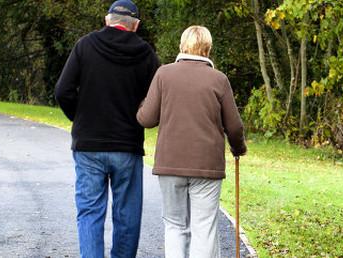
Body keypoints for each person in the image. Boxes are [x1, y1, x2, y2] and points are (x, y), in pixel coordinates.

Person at [54, 1, 160, 257]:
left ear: (107, 20)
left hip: (88, 145)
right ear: (136, 25)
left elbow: (62, 91)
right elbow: (156, 100)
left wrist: (79, 118)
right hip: (127, 146)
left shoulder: (85, 46)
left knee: (90, 212)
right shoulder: (146, 54)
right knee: (127, 215)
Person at [136, 26, 247, 258]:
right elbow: (234, 126)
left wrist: (140, 106)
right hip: (207, 166)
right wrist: (238, 148)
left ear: (181, 46)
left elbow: (147, 119)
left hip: (170, 164)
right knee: (204, 227)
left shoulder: (164, 74)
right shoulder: (219, 79)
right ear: (208, 48)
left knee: (175, 225)